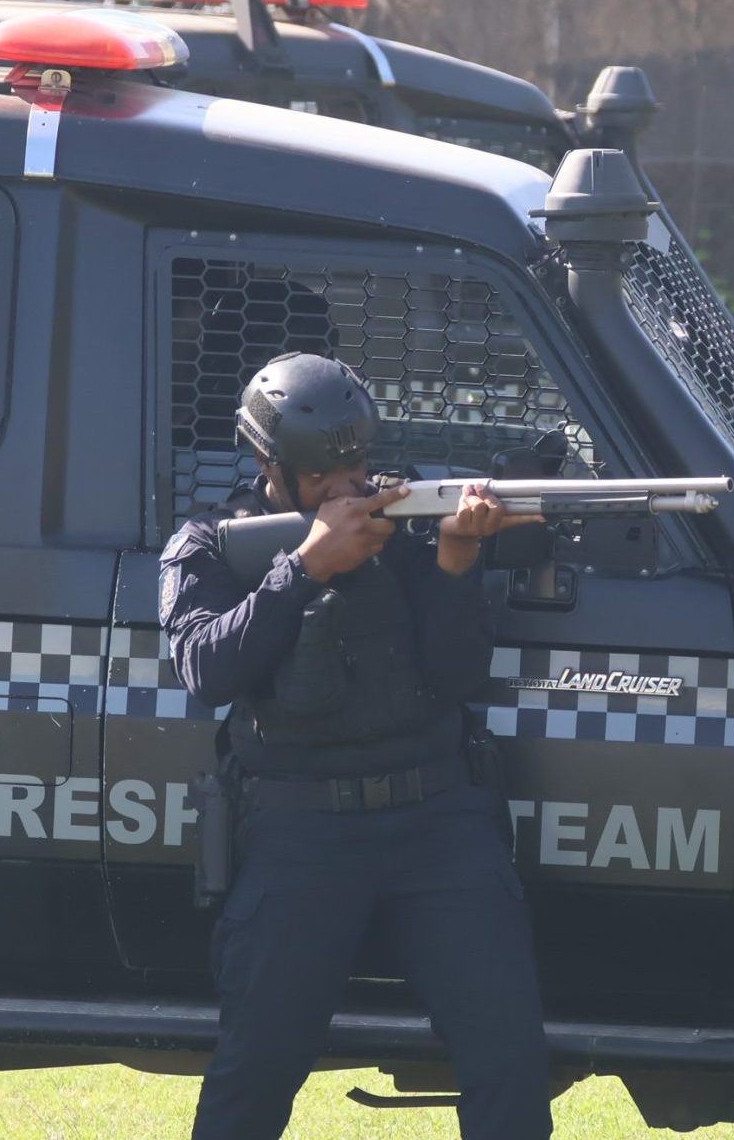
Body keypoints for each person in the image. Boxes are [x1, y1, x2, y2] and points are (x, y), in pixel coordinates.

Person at [159, 352, 554, 1140]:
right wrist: (302, 569)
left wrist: (454, 560)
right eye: (320, 473)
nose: (346, 486)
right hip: (300, 831)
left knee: (507, 1057)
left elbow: (456, 677)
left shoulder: (401, 525)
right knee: (257, 1066)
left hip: (438, 820)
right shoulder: (212, 543)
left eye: (356, 464)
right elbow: (205, 668)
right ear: (271, 466)